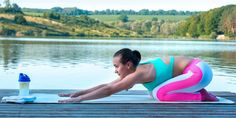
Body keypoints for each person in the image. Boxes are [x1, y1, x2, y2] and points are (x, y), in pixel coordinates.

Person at [58, 48, 218, 103]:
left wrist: (79, 100)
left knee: (160, 94)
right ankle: (201, 93)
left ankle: (201, 96)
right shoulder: (135, 70)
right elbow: (108, 86)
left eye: (116, 66)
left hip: (198, 72)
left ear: (128, 65)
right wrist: (78, 93)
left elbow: (109, 91)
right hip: (197, 72)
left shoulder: (139, 72)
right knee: (153, 93)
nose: (115, 70)